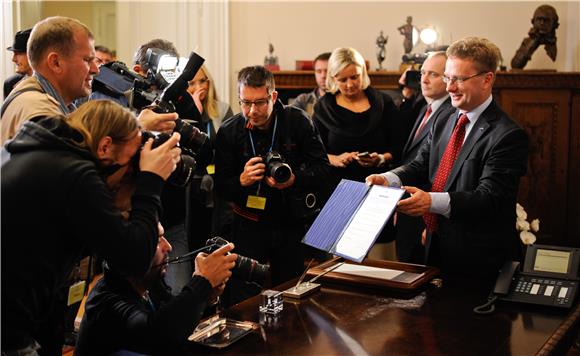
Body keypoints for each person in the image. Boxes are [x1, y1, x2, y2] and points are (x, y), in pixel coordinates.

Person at [1, 100, 182, 355]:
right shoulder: (74, 173)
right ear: (105, 146)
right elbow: (136, 259)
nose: (131, 174)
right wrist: (151, 181)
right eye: (132, 164)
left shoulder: (45, 149)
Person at [366, 37, 529, 282]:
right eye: (448, 78)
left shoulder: (508, 135)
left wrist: (430, 202)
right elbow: (421, 164)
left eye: (459, 79)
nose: (450, 87)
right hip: (436, 248)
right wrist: (388, 179)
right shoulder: (444, 119)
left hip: (480, 262)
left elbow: (488, 198)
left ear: (488, 79)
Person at [215, 65, 330, 306]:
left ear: (273, 97)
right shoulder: (229, 131)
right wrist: (241, 180)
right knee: (244, 297)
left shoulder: (297, 121)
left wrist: (293, 179)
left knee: (292, 295)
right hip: (247, 224)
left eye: (259, 102)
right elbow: (220, 187)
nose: (252, 111)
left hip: (290, 222)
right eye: (245, 103)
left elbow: (323, 170)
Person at [75, 220, 237, 355]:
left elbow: (180, 328)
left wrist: (206, 298)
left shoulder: (150, 285)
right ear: (132, 251)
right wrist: (202, 282)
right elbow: (158, 334)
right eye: (157, 240)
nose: (169, 247)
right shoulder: (105, 302)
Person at [128, 38, 213, 296]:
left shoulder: (182, 100)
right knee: (133, 294)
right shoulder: (123, 101)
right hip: (134, 215)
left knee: (176, 293)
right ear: (139, 70)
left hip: (173, 215)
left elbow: (203, 149)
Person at [312, 47, 404, 200]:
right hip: (336, 187)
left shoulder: (383, 103)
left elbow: (400, 145)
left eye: (355, 77)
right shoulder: (323, 109)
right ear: (333, 78)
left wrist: (381, 158)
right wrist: (335, 158)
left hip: (379, 185)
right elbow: (312, 152)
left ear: (363, 72)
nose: (350, 85)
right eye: (342, 80)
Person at [1, 17, 99, 145]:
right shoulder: (44, 119)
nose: (95, 69)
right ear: (55, 63)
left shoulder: (32, 96)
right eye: (87, 60)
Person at [395, 51, 454, 264]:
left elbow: (443, 171)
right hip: (410, 208)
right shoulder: (427, 107)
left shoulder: (450, 113)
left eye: (433, 74)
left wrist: (431, 222)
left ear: (448, 77)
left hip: (426, 212)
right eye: (422, 73)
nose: (424, 79)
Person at [187, 65, 234, 247]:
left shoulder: (222, 110)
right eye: (192, 83)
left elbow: (229, 149)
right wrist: (193, 111)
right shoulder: (179, 112)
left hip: (217, 183)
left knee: (216, 233)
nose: (199, 87)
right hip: (191, 184)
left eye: (203, 81)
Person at [511, 4, 559, 69]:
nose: (542, 23)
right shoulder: (528, 42)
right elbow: (515, 66)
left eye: (546, 20)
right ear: (533, 22)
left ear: (554, 24)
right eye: (539, 19)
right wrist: (533, 41)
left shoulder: (551, 41)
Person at [291, 52, 331, 117]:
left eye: (327, 71)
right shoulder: (303, 100)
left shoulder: (344, 100)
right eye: (319, 71)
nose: (323, 76)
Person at [3, 28, 32, 99]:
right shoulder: (10, 83)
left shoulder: (54, 83)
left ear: (32, 54)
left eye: (18, 53)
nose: (13, 59)